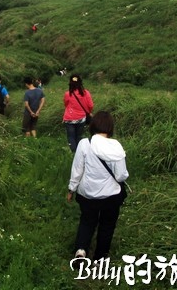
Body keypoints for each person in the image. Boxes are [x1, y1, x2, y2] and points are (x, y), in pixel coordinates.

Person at [67, 111, 129, 265]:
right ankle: (100, 258)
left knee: (87, 221)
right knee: (107, 225)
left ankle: (81, 251)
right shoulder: (116, 147)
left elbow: (77, 170)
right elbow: (121, 176)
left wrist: (71, 189)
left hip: (87, 195)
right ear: (110, 127)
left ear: (93, 125)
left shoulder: (84, 144)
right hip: (111, 196)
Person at [63, 74, 94, 153]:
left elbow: (66, 104)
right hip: (81, 118)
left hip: (69, 118)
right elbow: (90, 105)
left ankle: (74, 153)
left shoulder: (67, 94)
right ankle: (79, 152)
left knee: (71, 137)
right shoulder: (85, 93)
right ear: (80, 83)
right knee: (79, 136)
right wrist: (89, 112)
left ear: (70, 83)